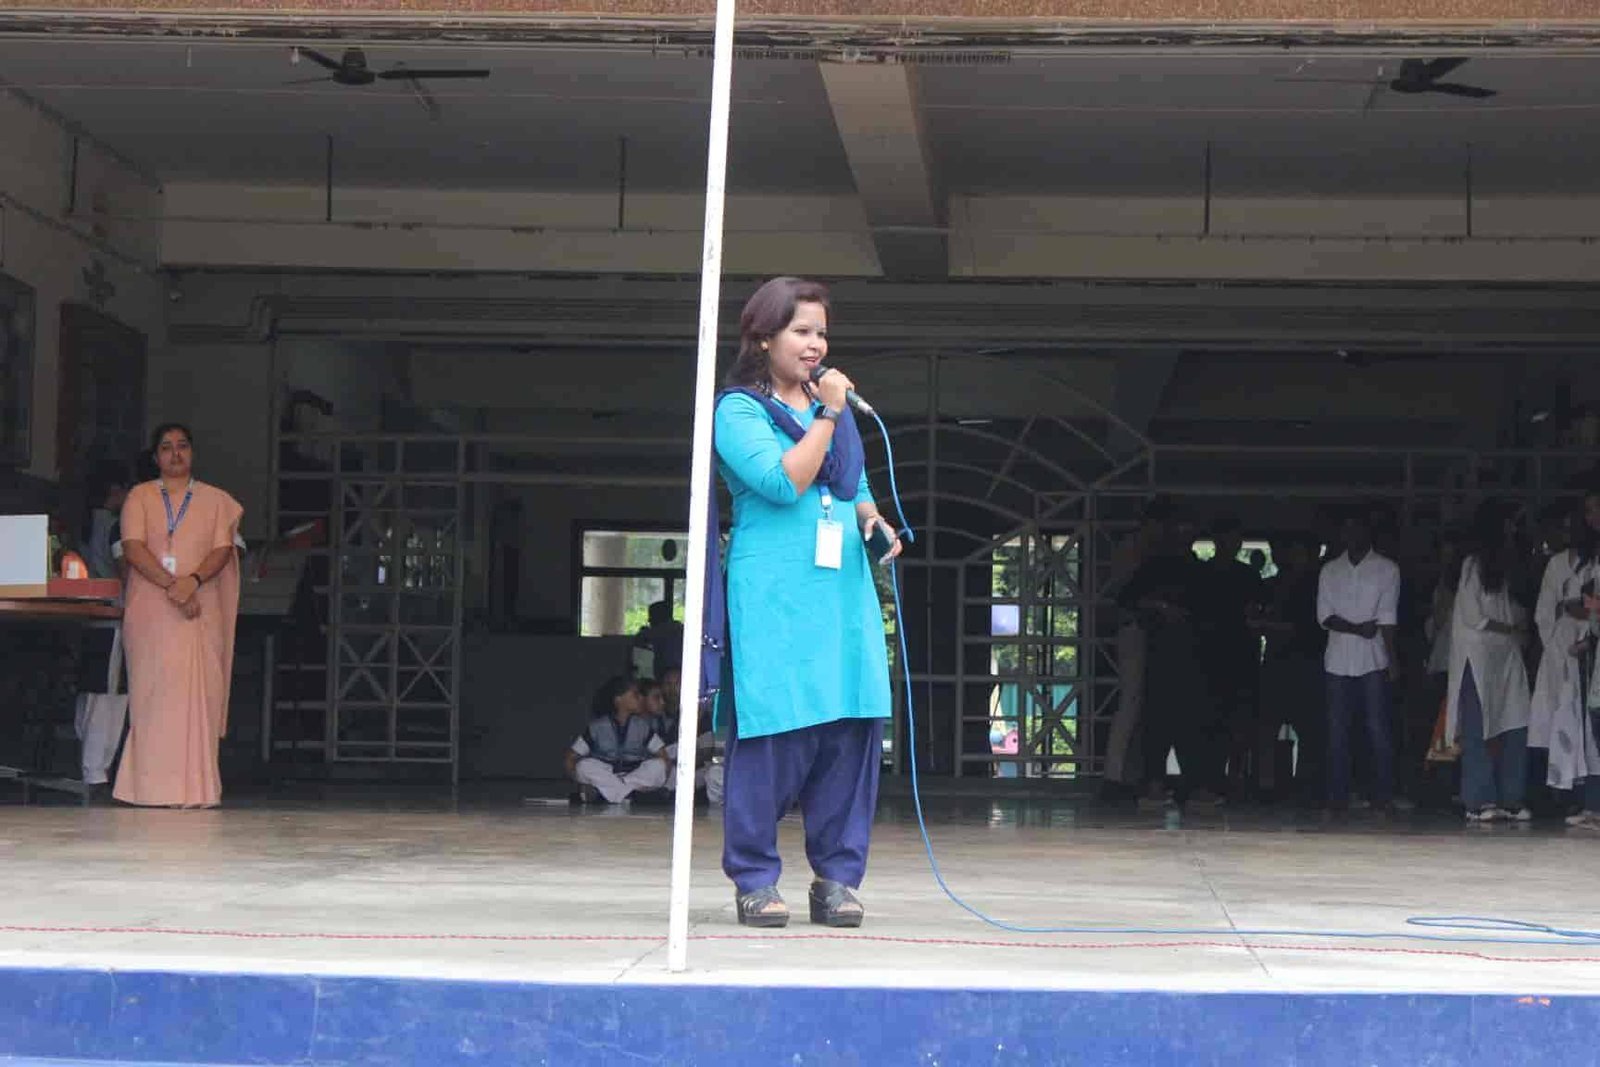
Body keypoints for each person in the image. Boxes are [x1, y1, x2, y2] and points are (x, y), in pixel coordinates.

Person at [711, 276, 901, 929]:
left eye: (821, 332)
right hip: (776, 594)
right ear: (764, 337)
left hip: (841, 594)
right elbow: (783, 480)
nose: (815, 344)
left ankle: (837, 879)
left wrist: (873, 517)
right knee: (774, 731)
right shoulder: (738, 410)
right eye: (801, 331)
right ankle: (756, 879)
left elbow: (852, 483)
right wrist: (827, 413)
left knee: (849, 729)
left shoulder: (831, 406)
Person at [115, 423, 243, 808]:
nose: (175, 453)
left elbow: (223, 550)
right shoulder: (139, 497)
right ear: (156, 457)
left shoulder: (217, 501)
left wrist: (193, 581)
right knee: (152, 698)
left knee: (201, 697)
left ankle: (196, 790)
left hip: (201, 608)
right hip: (152, 611)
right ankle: (149, 790)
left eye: (182, 446)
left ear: (192, 453)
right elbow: (133, 548)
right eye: (166, 447)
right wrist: (174, 586)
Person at [1448, 501, 1533, 823]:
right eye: (1511, 523)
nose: (1515, 530)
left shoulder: (1509, 566)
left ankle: (1511, 797)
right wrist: (1511, 629)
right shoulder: (1472, 565)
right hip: (1479, 658)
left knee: (1514, 722)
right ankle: (1479, 800)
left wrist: (1520, 628)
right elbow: (1474, 616)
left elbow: (1515, 610)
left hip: (1507, 658)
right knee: (1478, 728)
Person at [1317, 508, 1401, 815]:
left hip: (1373, 659)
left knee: (1377, 729)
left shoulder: (1387, 569)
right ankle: (1337, 796)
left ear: (1367, 532)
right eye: (1346, 529)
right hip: (1337, 661)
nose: (1351, 535)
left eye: (1356, 529)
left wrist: (1392, 659)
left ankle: (1382, 795)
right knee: (1337, 730)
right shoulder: (1330, 570)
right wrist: (1358, 628)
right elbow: (1324, 616)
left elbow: (1387, 618)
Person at [1120, 515, 1207, 809]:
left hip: (1192, 656)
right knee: (1158, 720)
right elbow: (1127, 601)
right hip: (1161, 653)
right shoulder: (1154, 568)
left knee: (1190, 723)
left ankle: (1192, 785)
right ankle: (1154, 784)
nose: (1184, 536)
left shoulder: (1198, 570)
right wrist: (1159, 607)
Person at [1533, 496, 1600, 823]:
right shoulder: (1558, 564)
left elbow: (1590, 607)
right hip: (1565, 652)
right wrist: (1559, 647)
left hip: (1591, 650)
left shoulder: (1594, 562)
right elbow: (1545, 612)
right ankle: (1581, 799)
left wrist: (1584, 621)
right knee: (1572, 724)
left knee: (1592, 724)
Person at [1199, 516, 1263, 799]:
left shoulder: (1247, 575)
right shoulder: (1203, 574)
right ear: (1217, 540)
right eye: (1230, 538)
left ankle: (1234, 777)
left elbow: (1257, 614)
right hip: (1212, 659)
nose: (1234, 544)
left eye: (1237, 539)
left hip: (1240, 658)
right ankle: (1213, 779)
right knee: (1214, 721)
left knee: (1240, 722)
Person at [1258, 533, 1324, 804]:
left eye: (1295, 552)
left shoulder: (1316, 586)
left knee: (1309, 728)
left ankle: (1306, 785)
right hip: (1277, 662)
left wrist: (1268, 626)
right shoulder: (1275, 584)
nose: (1288, 557)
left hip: (1305, 663)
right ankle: (1267, 785)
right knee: (1267, 725)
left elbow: (1307, 627)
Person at [565, 675, 670, 804]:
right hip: (606, 775)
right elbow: (570, 758)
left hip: (634, 776)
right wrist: (577, 780)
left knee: (659, 766)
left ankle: (604, 794)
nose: (641, 698)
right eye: (635, 695)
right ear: (618, 699)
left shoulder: (642, 726)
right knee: (583, 766)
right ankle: (631, 795)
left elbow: (664, 757)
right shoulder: (597, 727)